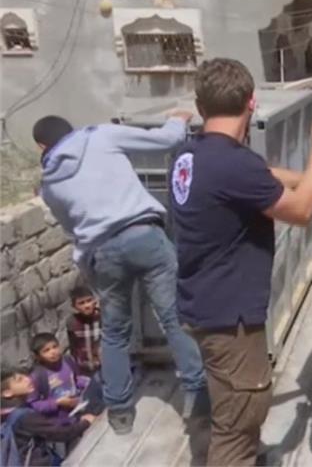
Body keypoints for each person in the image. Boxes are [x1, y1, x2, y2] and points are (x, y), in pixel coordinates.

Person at [171, 58, 312, 466]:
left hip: (201, 303)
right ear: (251, 102)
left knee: (226, 405)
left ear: (202, 107)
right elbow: (302, 211)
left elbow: (262, 175)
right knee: (241, 419)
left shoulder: (191, 154)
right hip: (229, 318)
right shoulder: (233, 164)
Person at [33, 112, 207, 434]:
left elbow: (74, 230)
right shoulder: (101, 135)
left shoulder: (50, 184)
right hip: (144, 235)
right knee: (173, 317)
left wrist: (92, 269)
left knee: (114, 332)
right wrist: (178, 120)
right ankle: (196, 395)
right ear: (71, 129)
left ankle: (120, 412)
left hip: (103, 253)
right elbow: (166, 140)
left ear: (43, 146)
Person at [1, 369, 96, 465]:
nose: (27, 379)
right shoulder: (24, 416)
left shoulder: (9, 414)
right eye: (19, 380)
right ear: (7, 393)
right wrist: (85, 422)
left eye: (24, 376)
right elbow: (60, 433)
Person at [26, 333, 102, 423]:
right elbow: (34, 404)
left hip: (80, 406)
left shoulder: (67, 361)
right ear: (38, 356)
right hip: (62, 418)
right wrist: (57, 403)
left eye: (55, 347)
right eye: (46, 350)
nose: (53, 352)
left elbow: (75, 379)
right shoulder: (37, 376)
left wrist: (87, 383)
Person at [65, 286, 101, 378]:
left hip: (104, 366)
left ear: (95, 301)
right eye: (81, 303)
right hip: (84, 369)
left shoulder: (102, 318)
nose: (87, 306)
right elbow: (73, 346)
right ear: (74, 306)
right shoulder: (72, 322)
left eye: (89, 301)